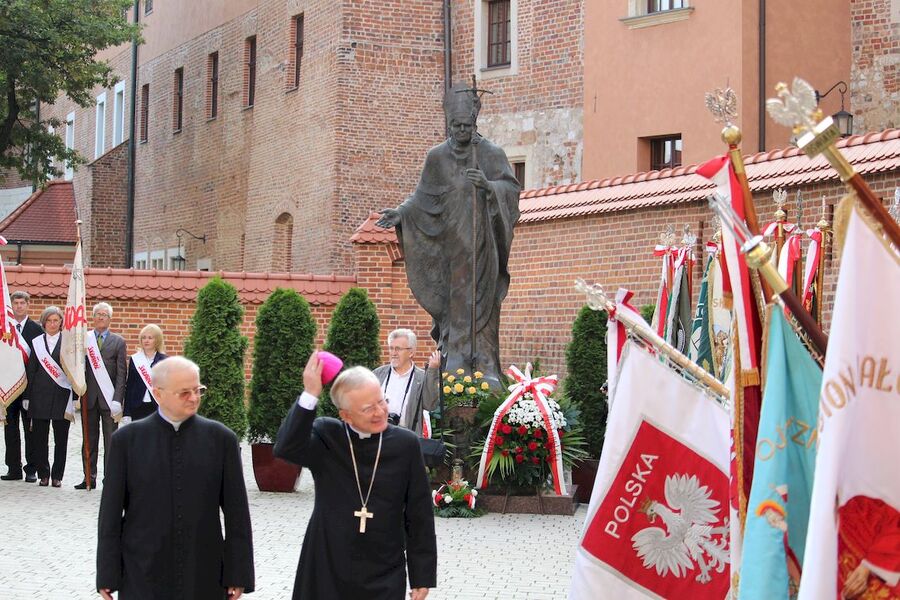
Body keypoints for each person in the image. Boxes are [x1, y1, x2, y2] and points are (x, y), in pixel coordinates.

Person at [376, 82, 520, 389]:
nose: (461, 132)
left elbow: (511, 190)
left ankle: (485, 363)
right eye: (456, 126)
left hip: (484, 248)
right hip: (450, 251)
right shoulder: (437, 157)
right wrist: (401, 213)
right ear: (448, 124)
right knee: (456, 304)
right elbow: (422, 198)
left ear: (475, 122)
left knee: (485, 305)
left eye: (466, 126)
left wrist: (488, 187)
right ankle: (454, 360)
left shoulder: (491, 154)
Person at [273, 354, 437, 599]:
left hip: (384, 567)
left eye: (381, 401)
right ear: (345, 415)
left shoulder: (406, 444)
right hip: (327, 564)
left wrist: (421, 575)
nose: (380, 412)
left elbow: (419, 513)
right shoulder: (328, 436)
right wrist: (310, 395)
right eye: (368, 408)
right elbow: (286, 448)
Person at [97, 356, 255, 599]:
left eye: (197, 390)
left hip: (203, 570)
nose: (193, 398)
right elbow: (110, 513)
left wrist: (238, 573)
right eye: (184, 393)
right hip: (142, 569)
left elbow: (237, 514)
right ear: (158, 394)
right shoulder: (126, 441)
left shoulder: (221, 440)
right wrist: (107, 573)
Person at [78, 301, 127, 490]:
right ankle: (88, 478)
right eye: (97, 314)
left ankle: (110, 480)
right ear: (93, 317)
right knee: (89, 440)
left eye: (104, 314)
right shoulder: (84, 339)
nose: (100, 317)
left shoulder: (118, 341)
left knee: (111, 441)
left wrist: (118, 399)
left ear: (110, 318)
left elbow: (122, 373)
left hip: (109, 400)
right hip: (88, 398)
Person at [23, 306, 73, 487]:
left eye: (56, 320)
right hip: (39, 396)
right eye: (49, 321)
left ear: (61, 322)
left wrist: (75, 397)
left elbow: (75, 371)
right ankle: (43, 473)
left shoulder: (68, 342)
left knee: (61, 439)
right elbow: (31, 370)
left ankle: (57, 475)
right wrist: (27, 397)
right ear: (44, 323)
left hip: (62, 395)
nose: (52, 324)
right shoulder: (36, 342)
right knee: (39, 439)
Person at [2, 290, 43, 482]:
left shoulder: (36, 330)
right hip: (9, 386)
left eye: (22, 303)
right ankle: (13, 468)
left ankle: (31, 469)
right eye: (15, 303)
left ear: (28, 305)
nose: (19, 306)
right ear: (11, 305)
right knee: (10, 430)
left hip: (30, 387)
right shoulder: (4, 328)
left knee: (30, 430)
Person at [373, 328, 440, 435]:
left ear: (411, 352)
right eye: (391, 348)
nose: (393, 353)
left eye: (398, 349)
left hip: (408, 438)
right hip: (378, 437)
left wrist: (432, 371)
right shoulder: (378, 374)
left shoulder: (421, 378)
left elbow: (430, 405)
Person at [122, 324, 168, 422]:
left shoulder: (165, 360)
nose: (146, 341)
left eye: (150, 338)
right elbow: (129, 386)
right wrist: (126, 412)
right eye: (144, 338)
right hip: (137, 406)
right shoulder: (135, 359)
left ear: (157, 340)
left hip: (157, 406)